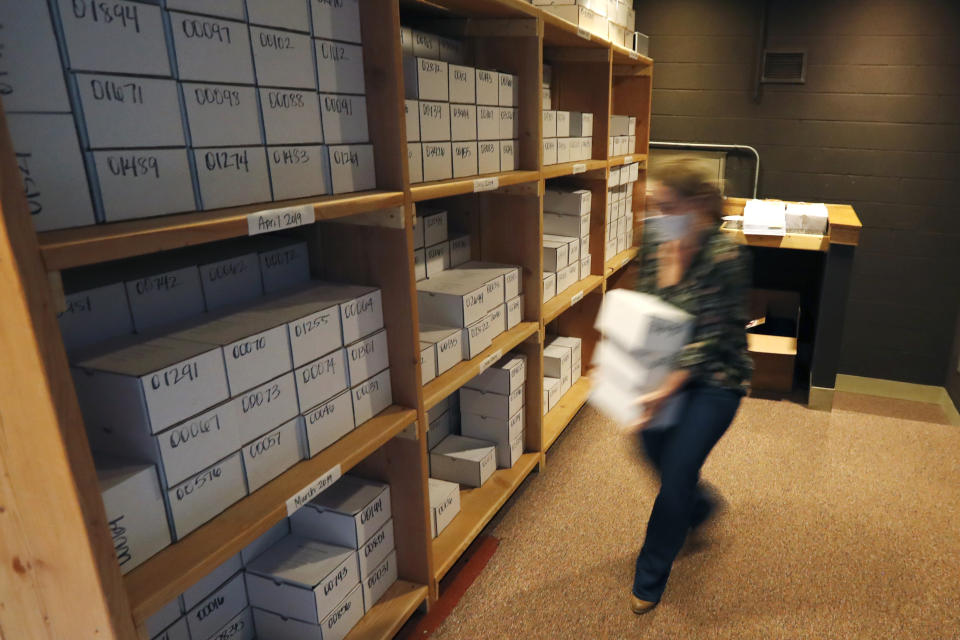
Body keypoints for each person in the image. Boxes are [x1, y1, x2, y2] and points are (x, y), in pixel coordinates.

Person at [627, 158, 753, 614]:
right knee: (646, 445)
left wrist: (664, 389)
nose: (658, 216)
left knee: (677, 470)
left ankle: (650, 577)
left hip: (717, 378)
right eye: (655, 207)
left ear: (697, 204)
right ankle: (699, 508)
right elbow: (648, 312)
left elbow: (710, 340)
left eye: (666, 205)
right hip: (667, 374)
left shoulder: (728, 256)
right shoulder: (660, 239)